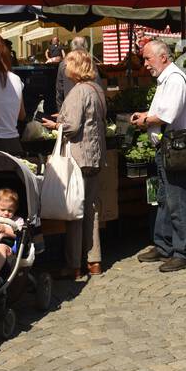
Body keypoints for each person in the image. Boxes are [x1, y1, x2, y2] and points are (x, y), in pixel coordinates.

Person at [129, 39, 186, 272]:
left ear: (163, 57)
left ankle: (183, 252)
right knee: (165, 198)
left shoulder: (175, 79)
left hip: (175, 148)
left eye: (147, 58)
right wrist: (145, 114)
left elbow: (166, 116)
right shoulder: (165, 79)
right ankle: (165, 245)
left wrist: (145, 120)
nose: (145, 64)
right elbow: (162, 110)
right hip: (166, 147)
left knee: (178, 199)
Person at [42, 49, 108, 279]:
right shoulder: (97, 89)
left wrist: (54, 124)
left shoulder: (78, 91)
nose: (65, 69)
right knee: (91, 209)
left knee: (75, 212)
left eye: (68, 64)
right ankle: (94, 261)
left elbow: (71, 127)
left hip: (78, 157)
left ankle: (73, 266)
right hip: (96, 155)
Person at [56, 36, 90, 111]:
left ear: (72, 47)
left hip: (69, 108)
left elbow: (59, 91)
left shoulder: (63, 64)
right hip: (89, 107)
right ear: (85, 46)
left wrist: (60, 112)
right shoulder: (91, 63)